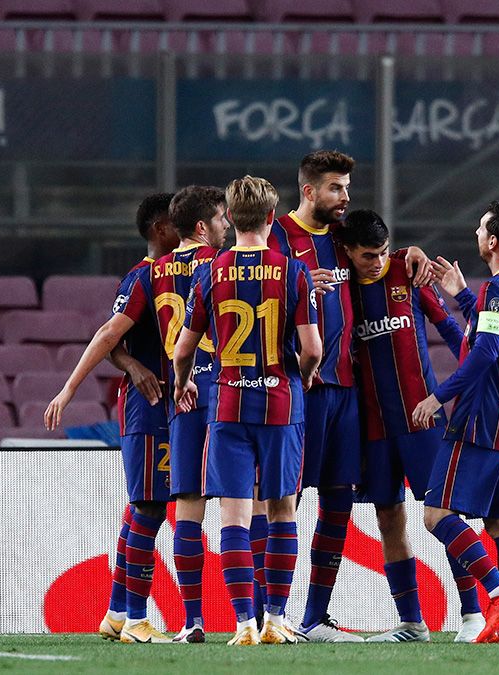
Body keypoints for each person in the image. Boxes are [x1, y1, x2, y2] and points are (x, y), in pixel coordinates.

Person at [267, 150, 430, 642]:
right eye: (337, 187)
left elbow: (380, 257)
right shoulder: (277, 237)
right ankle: (265, 614)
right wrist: (295, 286)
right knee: (282, 499)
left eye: (348, 187)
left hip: (347, 392)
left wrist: (412, 253)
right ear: (310, 190)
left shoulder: (342, 239)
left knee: (338, 502)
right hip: (300, 389)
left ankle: (315, 617)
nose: (346, 197)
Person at [173, 175, 322, 646]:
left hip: (229, 405)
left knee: (233, 519)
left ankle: (243, 624)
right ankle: (277, 619)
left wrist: (180, 384)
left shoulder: (210, 272)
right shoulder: (292, 270)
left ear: (231, 219)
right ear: (272, 219)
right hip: (281, 404)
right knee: (281, 513)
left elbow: (182, 351)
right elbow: (313, 349)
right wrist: (306, 373)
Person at [338, 209, 486, 643]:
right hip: (374, 429)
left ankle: (473, 614)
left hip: (423, 421)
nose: (378, 261)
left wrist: (477, 382)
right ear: (348, 252)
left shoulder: (407, 270)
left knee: (444, 516)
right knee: (388, 520)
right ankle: (411, 623)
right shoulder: (341, 290)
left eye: (383, 252)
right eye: (368, 255)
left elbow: (453, 332)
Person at [44, 193, 180, 643]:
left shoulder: (178, 276)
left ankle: (118, 613)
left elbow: (120, 340)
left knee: (140, 507)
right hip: (152, 407)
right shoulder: (145, 276)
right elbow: (108, 335)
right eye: (183, 223)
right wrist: (69, 389)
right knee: (149, 507)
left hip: (167, 402)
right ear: (163, 229)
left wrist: (132, 363)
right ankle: (137, 619)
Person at [411, 201, 499, 644]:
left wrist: (438, 396)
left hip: (482, 422)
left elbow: (486, 353)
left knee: (436, 514)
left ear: (492, 241)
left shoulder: (497, 289)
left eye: (481, 227)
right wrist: (463, 297)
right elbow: (492, 340)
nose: (475, 232)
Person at [152, 185, 228, 643]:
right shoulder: (226, 266)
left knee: (189, 510)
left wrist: (140, 368)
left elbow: (115, 332)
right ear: (203, 226)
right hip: (231, 394)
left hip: (183, 399)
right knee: (249, 507)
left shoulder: (152, 271)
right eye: (221, 218)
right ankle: (258, 619)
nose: (226, 226)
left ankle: (192, 620)